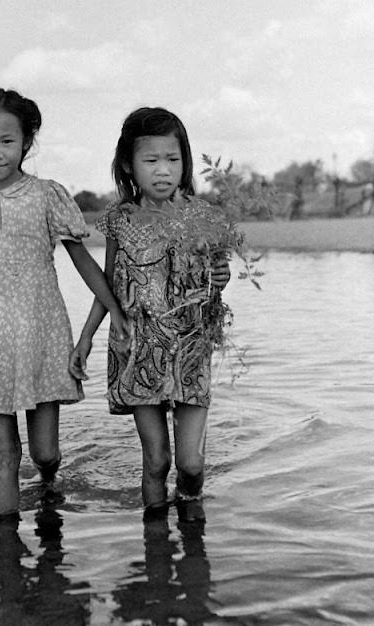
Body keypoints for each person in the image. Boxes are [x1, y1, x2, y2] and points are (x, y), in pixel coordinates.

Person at [0, 87, 127, 518]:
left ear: (26, 143)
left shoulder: (45, 195)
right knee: (2, 454)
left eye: (7, 141)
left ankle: (50, 487)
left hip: (43, 333)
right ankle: (6, 554)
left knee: (45, 451)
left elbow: (82, 261)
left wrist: (113, 310)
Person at [69, 107, 236, 517]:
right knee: (158, 460)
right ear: (129, 165)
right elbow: (107, 284)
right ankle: (156, 548)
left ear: (185, 162)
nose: (163, 170)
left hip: (192, 348)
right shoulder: (120, 220)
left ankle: (193, 524)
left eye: (173, 160)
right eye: (151, 160)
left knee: (191, 464)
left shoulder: (204, 217)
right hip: (138, 349)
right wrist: (87, 337)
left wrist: (222, 274)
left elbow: (215, 281)